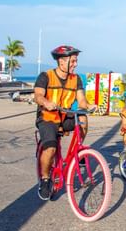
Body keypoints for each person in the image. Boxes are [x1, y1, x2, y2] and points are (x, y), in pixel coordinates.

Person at [34, 45, 95, 200]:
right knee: (51, 148)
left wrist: (88, 106)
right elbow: (38, 96)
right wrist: (46, 102)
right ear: (62, 61)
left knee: (82, 118)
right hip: (47, 117)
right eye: (73, 61)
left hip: (65, 116)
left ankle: (78, 152)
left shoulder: (76, 79)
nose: (75, 64)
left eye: (76, 61)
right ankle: (45, 179)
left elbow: (81, 100)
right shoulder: (45, 76)